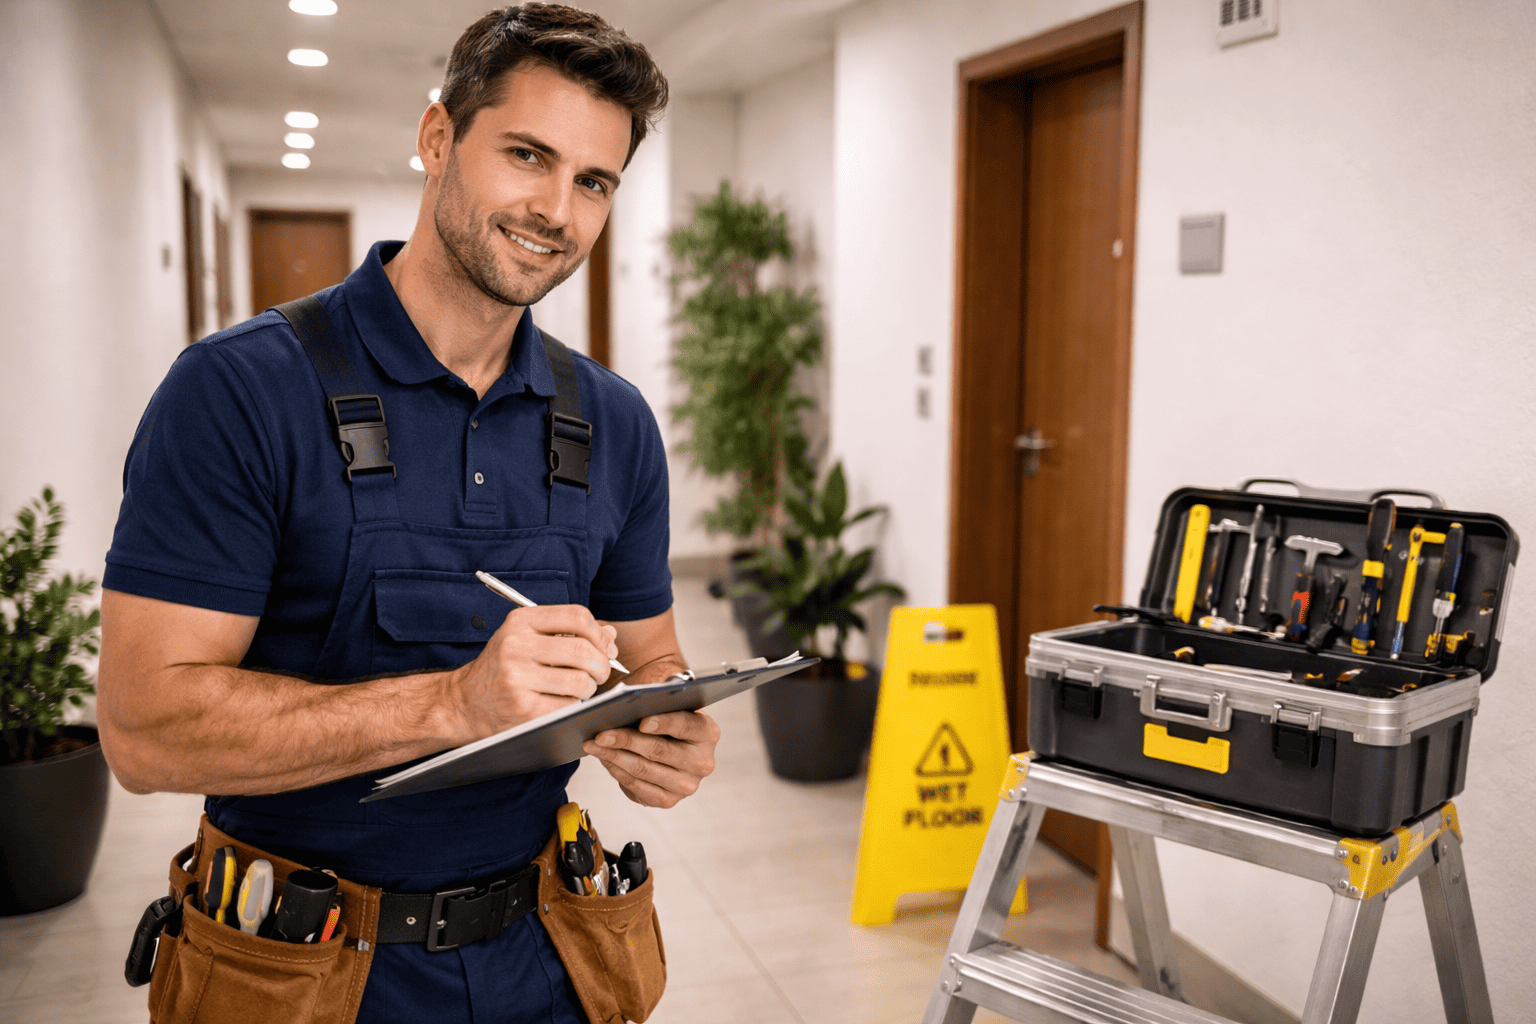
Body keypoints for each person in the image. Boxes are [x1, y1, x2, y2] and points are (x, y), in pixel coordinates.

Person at [96, 6, 717, 1021]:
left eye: (594, 180)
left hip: (547, 958)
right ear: (438, 140)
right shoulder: (240, 392)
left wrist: (664, 721)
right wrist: (453, 706)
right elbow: (142, 732)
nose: (558, 209)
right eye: (527, 154)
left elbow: (652, 658)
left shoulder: (613, 422)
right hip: (294, 973)